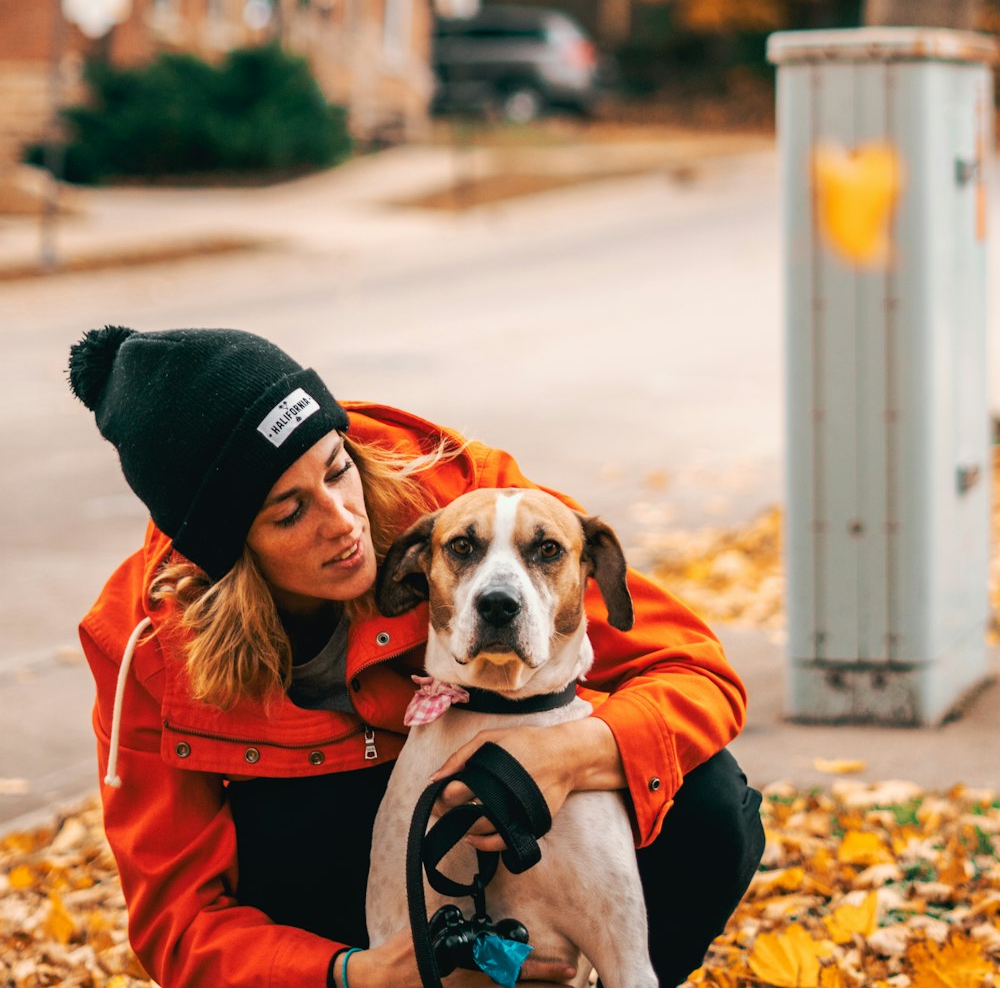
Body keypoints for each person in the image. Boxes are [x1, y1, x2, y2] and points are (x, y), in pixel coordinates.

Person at [72, 323, 764, 988]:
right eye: (290, 511)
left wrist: (570, 754)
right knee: (286, 830)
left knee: (709, 803)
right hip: (335, 874)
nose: (344, 520)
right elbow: (177, 922)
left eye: (337, 469)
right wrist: (353, 974)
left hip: (514, 794)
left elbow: (697, 671)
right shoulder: (146, 642)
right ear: (229, 549)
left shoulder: (471, 502)